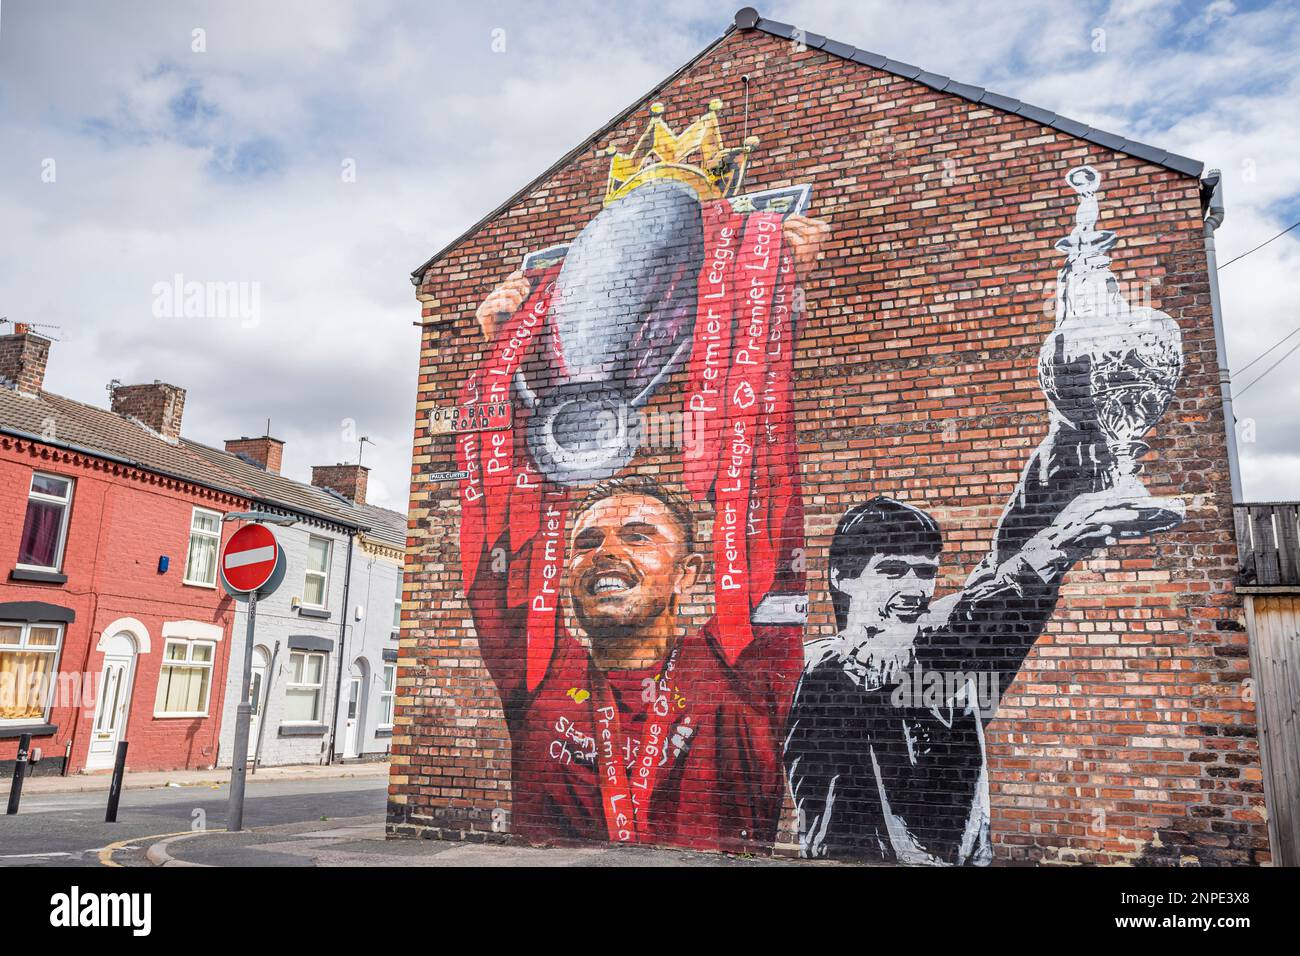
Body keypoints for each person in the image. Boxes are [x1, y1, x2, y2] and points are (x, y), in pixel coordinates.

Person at [785, 468, 1184, 863]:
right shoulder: (822, 664)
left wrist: (1070, 436)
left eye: (925, 572)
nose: (913, 588)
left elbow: (996, 574)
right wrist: (1059, 544)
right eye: (891, 571)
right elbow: (956, 617)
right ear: (842, 578)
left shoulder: (946, 652)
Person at [466, 473, 804, 851]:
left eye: (638, 536)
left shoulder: (738, 673)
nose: (604, 552)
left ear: (687, 573)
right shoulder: (538, 675)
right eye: (587, 543)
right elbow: (494, 531)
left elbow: (770, 524)